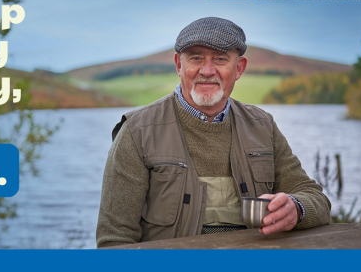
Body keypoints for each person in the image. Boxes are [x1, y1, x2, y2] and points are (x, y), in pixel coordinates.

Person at [96, 17, 331, 248]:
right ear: (179, 65)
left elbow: (316, 199)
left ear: (239, 68)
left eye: (220, 59)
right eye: (196, 58)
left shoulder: (263, 126)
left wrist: (296, 208)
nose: (207, 71)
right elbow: (114, 240)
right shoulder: (137, 131)